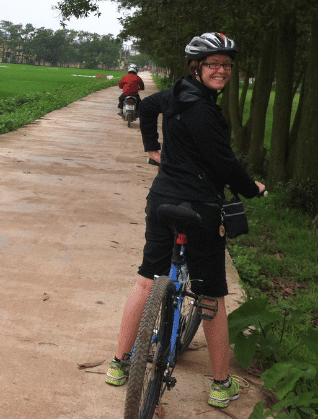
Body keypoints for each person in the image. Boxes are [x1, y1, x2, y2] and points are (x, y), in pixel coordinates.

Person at [105, 32, 265, 409]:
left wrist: (153, 150)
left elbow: (145, 109)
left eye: (226, 65)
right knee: (211, 296)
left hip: (161, 200)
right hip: (200, 208)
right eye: (213, 64)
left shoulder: (176, 93)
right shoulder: (204, 112)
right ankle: (222, 384)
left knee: (146, 281)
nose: (221, 71)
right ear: (197, 67)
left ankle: (118, 364)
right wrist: (251, 188)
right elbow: (224, 163)